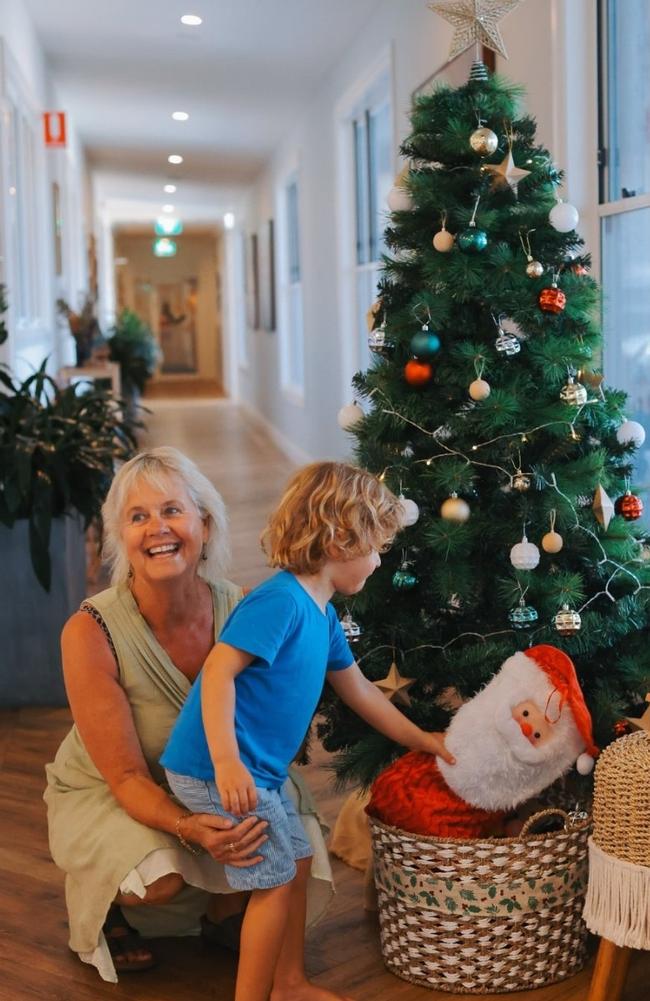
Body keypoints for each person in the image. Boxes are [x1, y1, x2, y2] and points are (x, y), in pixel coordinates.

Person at [162, 461, 455, 1001]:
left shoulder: (320, 616)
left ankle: (289, 983)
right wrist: (227, 763)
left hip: (252, 770)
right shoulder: (281, 602)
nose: (378, 561)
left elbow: (362, 691)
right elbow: (218, 673)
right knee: (273, 884)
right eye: (375, 547)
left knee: (295, 861)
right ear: (340, 539)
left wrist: (425, 741)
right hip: (215, 767)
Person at [44, 447, 335, 983]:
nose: (157, 528)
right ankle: (111, 909)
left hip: (213, 776)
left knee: (297, 825)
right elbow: (126, 775)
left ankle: (223, 911)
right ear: (121, 537)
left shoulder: (245, 604)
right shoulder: (89, 631)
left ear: (205, 522)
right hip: (116, 788)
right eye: (138, 517)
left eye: (172, 510)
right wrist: (188, 827)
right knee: (160, 884)